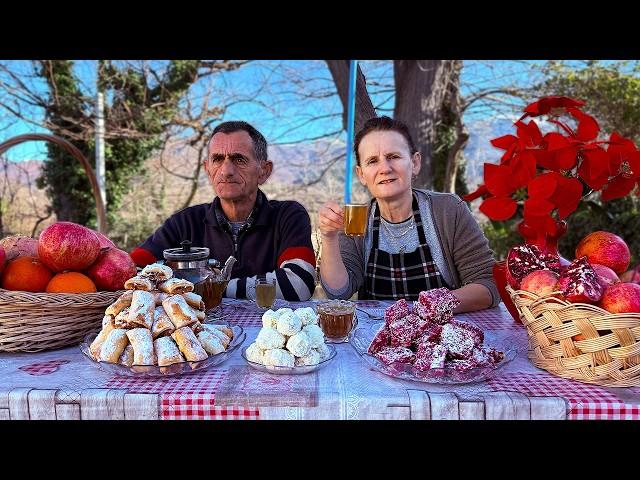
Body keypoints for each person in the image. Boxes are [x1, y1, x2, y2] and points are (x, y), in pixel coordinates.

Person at [318, 116, 499, 312]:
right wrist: (329, 237)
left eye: (394, 157)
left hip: (443, 335)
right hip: (378, 336)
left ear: (415, 163)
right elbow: (338, 293)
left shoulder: (448, 210)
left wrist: (429, 307)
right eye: (372, 161)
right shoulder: (355, 220)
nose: (384, 169)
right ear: (361, 174)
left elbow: (488, 285)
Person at [131, 121, 317, 301]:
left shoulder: (288, 216)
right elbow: (131, 272)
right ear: (208, 169)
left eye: (239, 159)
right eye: (218, 159)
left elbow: (298, 284)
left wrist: (207, 287)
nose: (226, 170)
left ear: (264, 171)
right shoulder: (184, 222)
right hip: (199, 331)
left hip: (272, 331)